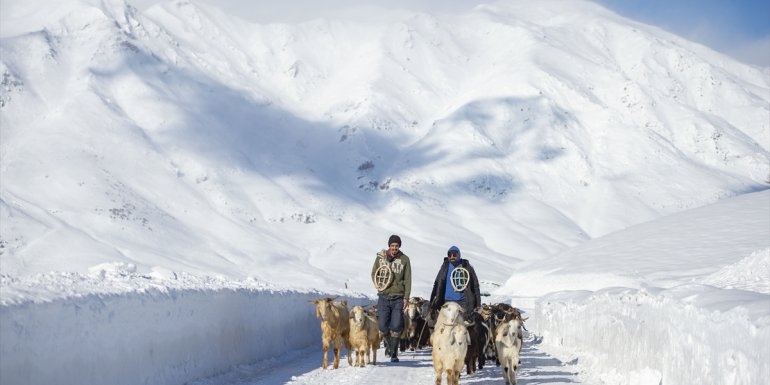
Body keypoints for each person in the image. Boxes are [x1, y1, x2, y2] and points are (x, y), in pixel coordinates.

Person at [370, 234, 412, 362]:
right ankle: (389, 345)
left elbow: (408, 279)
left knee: (396, 325)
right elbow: (374, 273)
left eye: (396, 246)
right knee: (382, 326)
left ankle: (394, 353)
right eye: (392, 245)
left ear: (399, 246)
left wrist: (406, 297)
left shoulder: (404, 259)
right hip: (383, 296)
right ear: (389, 245)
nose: (394, 248)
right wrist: (379, 285)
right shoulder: (380, 258)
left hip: (398, 297)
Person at [429, 245, 481, 316]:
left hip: (463, 302)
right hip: (447, 301)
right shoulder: (445, 267)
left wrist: (478, 303)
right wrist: (432, 301)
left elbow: (475, 285)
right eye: (450, 255)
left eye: (454, 255)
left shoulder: (467, 267)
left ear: (459, 255)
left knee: (463, 322)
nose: (452, 257)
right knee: (447, 322)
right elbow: (437, 284)